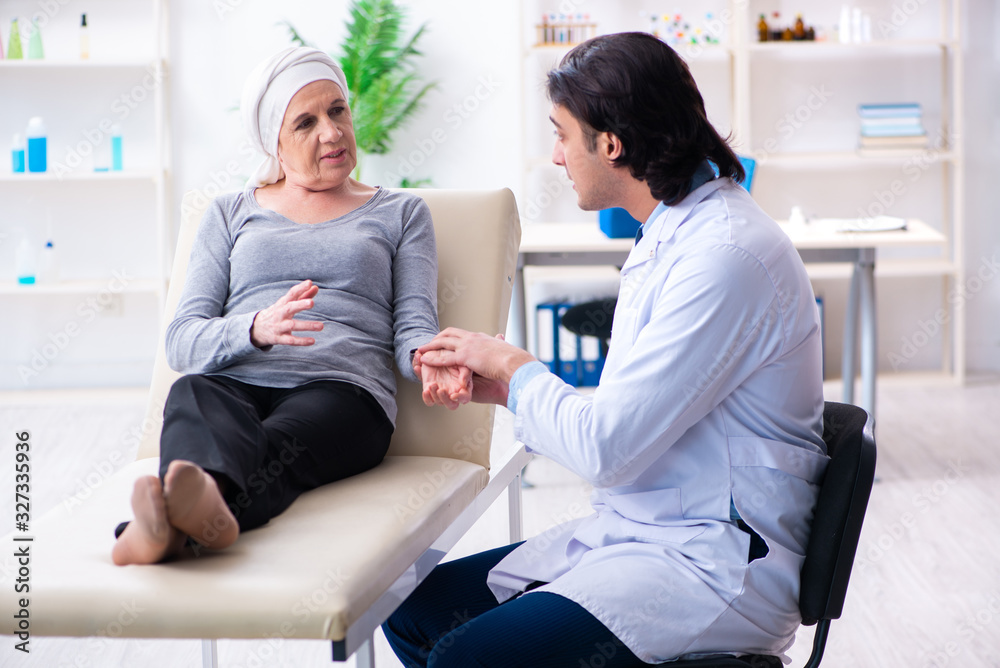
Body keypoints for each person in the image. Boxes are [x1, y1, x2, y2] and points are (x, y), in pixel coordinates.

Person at [385, 32, 829, 666]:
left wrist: (515, 365)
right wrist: (510, 388)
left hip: (714, 564)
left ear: (612, 144)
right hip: (648, 534)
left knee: (466, 657)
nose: (558, 157)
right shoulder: (671, 234)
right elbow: (628, 417)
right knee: (412, 611)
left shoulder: (725, 255)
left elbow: (607, 449)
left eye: (562, 135)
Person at [111, 46, 470, 566]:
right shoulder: (229, 213)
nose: (331, 132)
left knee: (275, 447)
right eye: (305, 122)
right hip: (236, 379)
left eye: (337, 110)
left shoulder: (401, 211)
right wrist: (255, 328)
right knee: (193, 392)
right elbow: (183, 339)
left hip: (343, 391)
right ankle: (186, 523)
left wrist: (432, 360)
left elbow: (413, 327)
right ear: (274, 144)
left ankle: (151, 529)